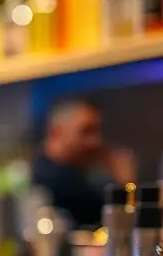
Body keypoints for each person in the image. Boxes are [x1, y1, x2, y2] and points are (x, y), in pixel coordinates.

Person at [31, 98, 136, 228]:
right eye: (86, 131)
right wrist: (126, 182)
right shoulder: (52, 178)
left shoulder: (77, 172)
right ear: (56, 132)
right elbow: (112, 222)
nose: (96, 141)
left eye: (97, 131)